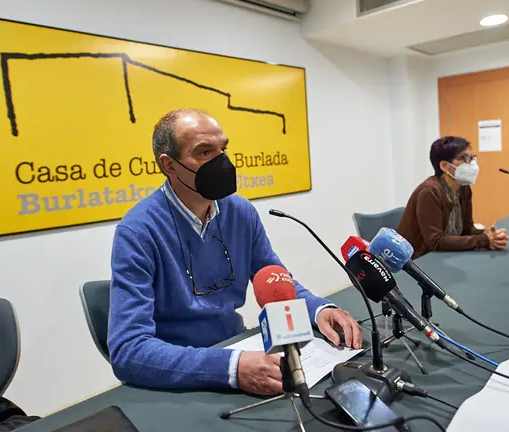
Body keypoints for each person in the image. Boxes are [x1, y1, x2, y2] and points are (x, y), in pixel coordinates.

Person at [108, 109, 363, 397]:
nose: (222, 162)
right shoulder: (138, 231)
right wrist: (231, 368)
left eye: (223, 149)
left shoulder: (239, 211)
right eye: (204, 152)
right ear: (169, 166)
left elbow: (275, 280)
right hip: (181, 376)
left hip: (239, 346)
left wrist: (319, 310)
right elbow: (128, 350)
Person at [396, 136, 508, 258]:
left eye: (471, 157)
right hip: (417, 260)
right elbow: (436, 241)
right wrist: (483, 240)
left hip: (444, 255)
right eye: (464, 158)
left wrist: (490, 236)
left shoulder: (463, 187)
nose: (472, 163)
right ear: (444, 166)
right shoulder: (429, 192)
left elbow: (467, 229)